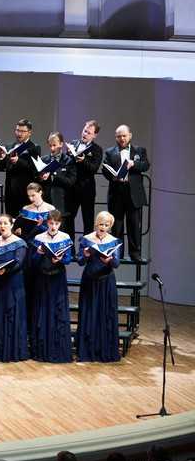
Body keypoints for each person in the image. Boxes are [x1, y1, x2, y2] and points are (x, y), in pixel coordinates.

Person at [0, 214, 29, 361]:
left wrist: (5, 270)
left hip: (12, 284)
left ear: (11, 225)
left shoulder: (20, 243)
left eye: (5, 223)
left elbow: (19, 263)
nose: (2, 226)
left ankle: (10, 350)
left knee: (10, 316)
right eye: (0, 224)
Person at [77, 211, 122, 362]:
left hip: (106, 282)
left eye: (106, 225)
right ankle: (87, 351)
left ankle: (105, 350)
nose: (103, 227)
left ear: (110, 227)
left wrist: (109, 260)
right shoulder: (86, 239)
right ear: (96, 224)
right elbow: (80, 261)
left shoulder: (114, 241)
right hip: (90, 281)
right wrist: (85, 255)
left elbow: (116, 264)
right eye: (101, 224)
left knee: (105, 314)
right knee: (89, 314)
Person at [30, 210, 73, 363]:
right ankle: (41, 350)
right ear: (47, 223)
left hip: (58, 278)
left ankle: (58, 348)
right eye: (51, 223)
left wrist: (61, 259)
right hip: (42, 278)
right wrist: (39, 253)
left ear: (60, 224)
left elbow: (69, 259)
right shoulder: (39, 238)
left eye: (56, 224)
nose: (53, 226)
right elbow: (33, 262)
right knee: (43, 310)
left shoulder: (65, 237)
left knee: (57, 311)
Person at [102, 125, 149, 261]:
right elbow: (105, 169)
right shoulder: (110, 152)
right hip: (117, 192)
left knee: (134, 224)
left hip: (133, 193)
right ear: (116, 137)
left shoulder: (139, 150)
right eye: (119, 136)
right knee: (117, 225)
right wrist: (113, 177)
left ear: (130, 135)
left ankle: (135, 253)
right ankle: (118, 253)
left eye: (124, 135)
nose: (122, 138)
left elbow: (146, 165)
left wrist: (134, 164)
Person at [0, 118, 40, 217]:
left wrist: (18, 161)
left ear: (29, 132)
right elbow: (2, 167)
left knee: (25, 220)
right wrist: (2, 158)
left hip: (25, 191)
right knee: (10, 219)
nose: (19, 134)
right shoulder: (10, 146)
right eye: (17, 130)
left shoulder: (34, 147)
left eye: (22, 131)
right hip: (10, 191)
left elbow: (34, 168)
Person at [69, 120, 103, 238]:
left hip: (87, 189)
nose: (85, 134)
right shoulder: (74, 143)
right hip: (72, 188)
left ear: (94, 135)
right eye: (84, 131)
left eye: (89, 133)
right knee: (68, 219)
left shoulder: (97, 149)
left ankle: (86, 252)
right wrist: (69, 155)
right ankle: (70, 250)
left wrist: (84, 161)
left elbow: (94, 168)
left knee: (88, 221)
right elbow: (66, 164)